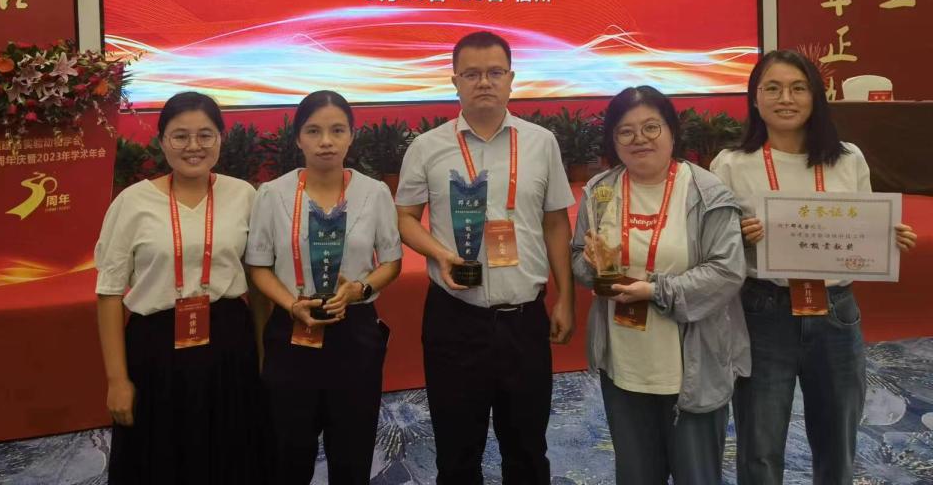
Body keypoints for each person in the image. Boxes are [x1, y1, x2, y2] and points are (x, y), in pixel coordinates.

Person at [710, 49, 918, 485]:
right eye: (772, 88)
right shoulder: (730, 164)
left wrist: (888, 236)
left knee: (837, 439)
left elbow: (862, 229)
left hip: (836, 312)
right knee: (759, 443)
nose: (785, 98)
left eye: (798, 88)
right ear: (754, 98)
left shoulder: (848, 159)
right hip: (764, 311)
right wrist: (737, 236)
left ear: (815, 97)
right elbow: (712, 246)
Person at [395, 30, 575, 485]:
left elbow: (556, 223)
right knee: (457, 452)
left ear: (511, 79)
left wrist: (566, 299)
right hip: (455, 319)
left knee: (527, 450)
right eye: (471, 74)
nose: (484, 82)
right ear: (454, 81)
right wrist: (440, 253)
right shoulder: (427, 147)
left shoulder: (541, 143)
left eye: (495, 72)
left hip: (524, 320)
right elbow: (404, 218)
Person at [571, 85, 749, 485]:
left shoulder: (706, 192)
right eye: (626, 131)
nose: (640, 139)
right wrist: (594, 270)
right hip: (624, 361)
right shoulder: (600, 191)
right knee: (636, 475)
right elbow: (578, 255)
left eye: (651, 127)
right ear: (613, 140)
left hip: (692, 365)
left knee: (696, 476)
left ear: (671, 131)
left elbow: (726, 271)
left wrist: (655, 291)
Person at [95, 91, 266, 484]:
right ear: (162, 141)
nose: (194, 146)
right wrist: (117, 380)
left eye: (205, 135)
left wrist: (262, 354)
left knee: (230, 454)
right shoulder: (132, 202)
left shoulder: (244, 195)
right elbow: (108, 294)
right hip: (156, 348)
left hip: (228, 342)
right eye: (180, 136)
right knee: (160, 457)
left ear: (221, 138)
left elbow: (258, 284)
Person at [246, 90, 402, 485]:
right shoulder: (273, 194)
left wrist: (360, 288)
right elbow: (259, 267)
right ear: (298, 138)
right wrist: (290, 304)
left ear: (351, 136)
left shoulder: (375, 193)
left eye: (337, 130)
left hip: (355, 332)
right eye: (313, 131)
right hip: (293, 330)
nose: (326, 141)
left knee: (352, 447)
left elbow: (392, 262)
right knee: (289, 448)